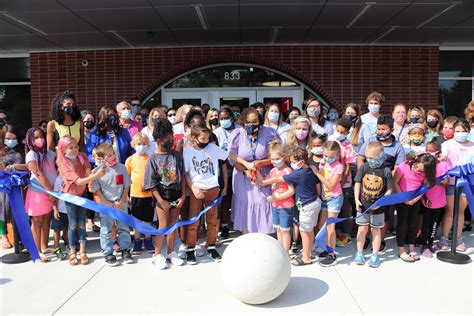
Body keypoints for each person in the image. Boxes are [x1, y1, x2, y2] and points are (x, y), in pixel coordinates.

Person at [184, 123, 250, 263]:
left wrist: (246, 164)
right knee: (193, 221)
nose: (206, 141)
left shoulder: (213, 148)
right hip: (197, 190)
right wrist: (194, 189)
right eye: (203, 138)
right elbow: (186, 174)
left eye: (208, 138)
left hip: (212, 189)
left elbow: (230, 155)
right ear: (194, 138)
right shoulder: (188, 152)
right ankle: (190, 248)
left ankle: (211, 246)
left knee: (212, 221)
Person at [259, 147, 321, 266]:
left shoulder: (298, 174)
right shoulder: (310, 170)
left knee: (304, 231)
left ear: (301, 162)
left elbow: (278, 179)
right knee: (309, 231)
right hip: (313, 202)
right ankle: (309, 252)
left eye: (293, 162)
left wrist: (263, 182)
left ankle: (306, 257)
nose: (291, 164)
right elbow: (317, 186)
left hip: (307, 206)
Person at [228, 107, 281, 234]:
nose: (251, 125)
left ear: (260, 120)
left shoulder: (270, 133)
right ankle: (246, 238)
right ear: (242, 122)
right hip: (243, 177)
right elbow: (232, 156)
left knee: (262, 202)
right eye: (248, 122)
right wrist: (246, 169)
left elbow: (279, 155)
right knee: (245, 205)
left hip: (263, 177)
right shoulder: (237, 134)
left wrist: (260, 163)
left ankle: (263, 237)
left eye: (255, 121)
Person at [357, 115, 406, 251]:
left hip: (385, 187)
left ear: (391, 129)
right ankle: (366, 238)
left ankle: (380, 240)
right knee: (366, 213)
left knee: (384, 215)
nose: (380, 132)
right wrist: (361, 178)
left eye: (384, 129)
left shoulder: (398, 147)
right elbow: (361, 159)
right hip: (368, 184)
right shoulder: (370, 140)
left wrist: (389, 185)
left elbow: (398, 168)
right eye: (378, 129)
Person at [144, 118, 186, 269]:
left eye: (172, 138)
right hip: (162, 197)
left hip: (176, 195)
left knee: (173, 224)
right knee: (163, 225)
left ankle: (171, 252)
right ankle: (157, 254)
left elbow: (182, 178)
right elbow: (151, 184)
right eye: (167, 139)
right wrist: (161, 201)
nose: (171, 141)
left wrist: (183, 196)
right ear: (159, 140)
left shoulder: (177, 156)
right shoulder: (153, 159)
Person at [56, 136, 104, 265]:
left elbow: (88, 173)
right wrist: (95, 176)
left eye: (76, 146)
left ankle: (82, 251)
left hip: (82, 193)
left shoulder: (82, 156)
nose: (74, 149)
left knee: (82, 223)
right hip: (70, 196)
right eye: (70, 147)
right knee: (72, 224)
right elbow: (79, 181)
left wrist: (96, 170)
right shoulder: (63, 162)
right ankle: (73, 251)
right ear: (63, 149)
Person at [91, 142, 133, 267]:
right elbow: (97, 190)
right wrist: (106, 203)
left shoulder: (121, 168)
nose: (113, 156)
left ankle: (125, 249)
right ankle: (108, 252)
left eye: (113, 153)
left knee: (123, 227)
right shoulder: (97, 171)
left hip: (121, 204)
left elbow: (126, 186)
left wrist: (121, 201)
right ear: (102, 158)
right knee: (106, 230)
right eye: (109, 155)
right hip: (106, 206)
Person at [353, 142, 394, 268]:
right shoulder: (364, 167)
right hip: (362, 207)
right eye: (367, 157)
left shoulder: (386, 171)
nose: (369, 160)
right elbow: (358, 183)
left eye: (372, 158)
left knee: (376, 231)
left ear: (380, 156)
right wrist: (356, 200)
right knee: (362, 229)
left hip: (378, 209)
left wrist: (380, 203)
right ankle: (359, 253)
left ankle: (375, 255)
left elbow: (390, 189)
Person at [393, 153, 437, 262]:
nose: (418, 171)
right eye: (417, 167)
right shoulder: (403, 166)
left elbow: (424, 187)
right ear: (415, 161)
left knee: (413, 224)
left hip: (415, 200)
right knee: (402, 223)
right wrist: (403, 198)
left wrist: (416, 199)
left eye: (422, 171)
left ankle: (411, 248)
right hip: (402, 198)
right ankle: (401, 250)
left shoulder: (426, 172)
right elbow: (395, 182)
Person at [439, 118, 474, 252]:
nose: (460, 133)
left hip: (467, 182)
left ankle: (458, 239)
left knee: (460, 211)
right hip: (451, 182)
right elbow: (443, 160)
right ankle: (444, 237)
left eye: (463, 131)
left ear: (468, 131)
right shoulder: (447, 144)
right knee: (450, 211)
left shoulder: (472, 145)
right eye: (457, 131)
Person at [24, 127, 57, 262]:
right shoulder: (31, 154)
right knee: (37, 221)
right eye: (36, 137)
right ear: (30, 140)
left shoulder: (49, 154)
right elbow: (38, 173)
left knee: (46, 220)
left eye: (41, 136)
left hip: (50, 193)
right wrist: (50, 192)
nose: (40, 139)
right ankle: (36, 252)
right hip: (38, 193)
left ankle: (44, 246)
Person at [312, 141, 344, 267]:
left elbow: (331, 185)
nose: (327, 158)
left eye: (331, 157)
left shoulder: (338, 167)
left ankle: (332, 255)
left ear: (337, 155)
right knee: (322, 225)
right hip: (325, 198)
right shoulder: (323, 163)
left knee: (331, 227)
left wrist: (318, 173)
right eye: (325, 155)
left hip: (335, 198)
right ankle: (325, 248)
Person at [260, 141, 295, 251]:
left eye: (277, 159)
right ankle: (280, 250)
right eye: (272, 159)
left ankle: (285, 252)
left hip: (285, 205)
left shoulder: (288, 171)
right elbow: (263, 182)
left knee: (285, 230)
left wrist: (276, 198)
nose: (274, 162)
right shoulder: (273, 171)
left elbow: (291, 191)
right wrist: (255, 170)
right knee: (278, 229)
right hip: (275, 205)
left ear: (284, 157)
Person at [329, 118, 356, 247]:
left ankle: (346, 234)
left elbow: (347, 167)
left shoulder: (348, 145)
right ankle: (337, 232)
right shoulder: (331, 140)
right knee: (333, 210)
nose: (339, 133)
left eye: (342, 131)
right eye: (337, 130)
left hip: (344, 184)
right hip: (330, 181)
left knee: (345, 208)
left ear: (347, 132)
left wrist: (342, 182)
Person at [125, 133, 155, 255]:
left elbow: (154, 175)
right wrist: (126, 196)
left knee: (148, 219)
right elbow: (126, 179)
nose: (141, 146)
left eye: (143, 144)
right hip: (135, 195)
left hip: (149, 195)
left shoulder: (151, 158)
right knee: (136, 219)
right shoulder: (130, 160)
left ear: (148, 145)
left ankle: (148, 239)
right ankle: (137, 241)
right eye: (138, 144)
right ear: (133, 145)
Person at [420, 141, 449, 257]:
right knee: (426, 223)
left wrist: (433, 180)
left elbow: (446, 183)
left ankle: (431, 244)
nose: (430, 153)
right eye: (428, 150)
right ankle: (424, 245)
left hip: (439, 200)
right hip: (427, 200)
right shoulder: (424, 165)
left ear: (439, 152)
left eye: (432, 150)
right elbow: (422, 183)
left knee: (434, 224)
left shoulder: (444, 165)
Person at [0, 125, 26, 249]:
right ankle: (3, 235)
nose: (11, 141)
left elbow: (28, 165)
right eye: (8, 138)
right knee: (2, 209)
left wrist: (17, 167)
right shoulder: (0, 151)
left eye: (13, 138)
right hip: (3, 185)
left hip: (18, 186)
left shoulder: (22, 150)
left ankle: (20, 237)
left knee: (18, 212)